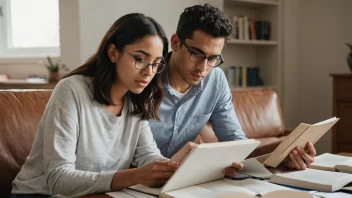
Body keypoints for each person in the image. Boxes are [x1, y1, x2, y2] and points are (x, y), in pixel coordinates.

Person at [10, 13, 193, 198]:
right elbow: (59, 180)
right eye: (139, 59)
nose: (149, 72)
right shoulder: (71, 90)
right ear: (113, 53)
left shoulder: (135, 101)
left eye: (155, 64)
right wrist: (133, 176)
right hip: (38, 194)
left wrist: (179, 166)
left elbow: (148, 156)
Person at [149, 4, 316, 176]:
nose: (203, 68)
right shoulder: (145, 77)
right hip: (138, 180)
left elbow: (234, 142)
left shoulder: (216, 80)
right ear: (175, 43)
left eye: (213, 58)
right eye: (196, 54)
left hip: (184, 178)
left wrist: (280, 159)